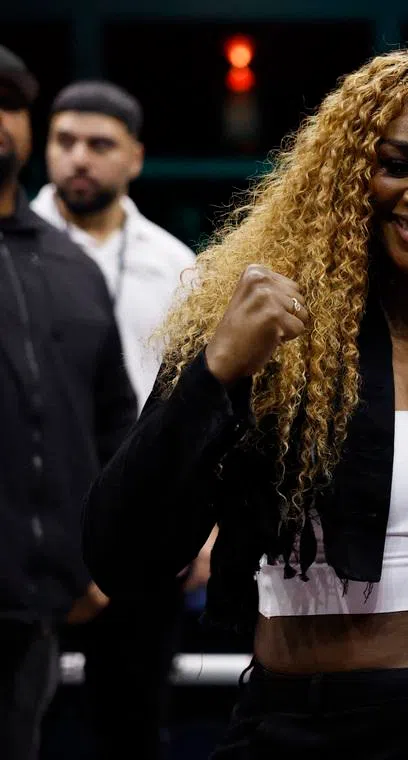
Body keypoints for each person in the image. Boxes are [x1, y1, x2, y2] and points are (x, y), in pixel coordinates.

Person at [82, 49, 408, 759]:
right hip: (314, 728)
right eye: (396, 164)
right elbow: (122, 556)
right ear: (346, 170)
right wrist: (215, 373)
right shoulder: (268, 334)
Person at [30, 79, 201, 760]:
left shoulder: (175, 266)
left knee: (132, 726)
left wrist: (208, 525)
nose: (79, 157)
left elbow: (202, 407)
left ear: (134, 157)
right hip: (27, 523)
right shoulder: (10, 251)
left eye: (99, 144)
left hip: (141, 527)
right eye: (65, 141)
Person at [0, 46, 138, 760]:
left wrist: (96, 561)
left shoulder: (70, 268)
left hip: (32, 610)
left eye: (9, 102)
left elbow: (113, 426)